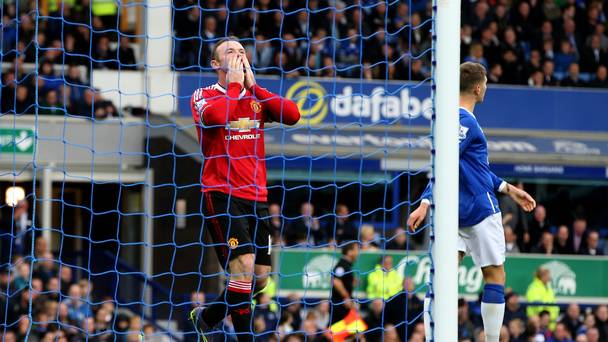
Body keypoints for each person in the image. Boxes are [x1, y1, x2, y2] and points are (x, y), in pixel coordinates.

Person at [407, 62, 536, 342]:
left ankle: (435, 336)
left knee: (443, 280)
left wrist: (508, 188)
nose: (486, 88)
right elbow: (444, 165)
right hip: (479, 212)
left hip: (452, 213)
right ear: (478, 87)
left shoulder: (445, 120)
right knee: (495, 276)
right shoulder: (466, 121)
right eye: (486, 84)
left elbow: (472, 169)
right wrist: (425, 202)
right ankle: (491, 340)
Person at [188, 37, 300, 342]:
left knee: (260, 280)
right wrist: (236, 87)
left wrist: (253, 87)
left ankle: (207, 317)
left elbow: (292, 115)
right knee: (243, 269)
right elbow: (216, 117)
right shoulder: (203, 95)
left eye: (241, 51)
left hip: (257, 195)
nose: (238, 55)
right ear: (215, 64)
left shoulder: (254, 97)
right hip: (222, 193)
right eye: (230, 52)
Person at [330, 242, 360, 325]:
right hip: (340, 306)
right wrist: (347, 297)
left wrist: (351, 282)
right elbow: (336, 281)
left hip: (342, 305)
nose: (358, 253)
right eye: (357, 250)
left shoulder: (347, 265)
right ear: (349, 252)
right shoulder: (342, 265)